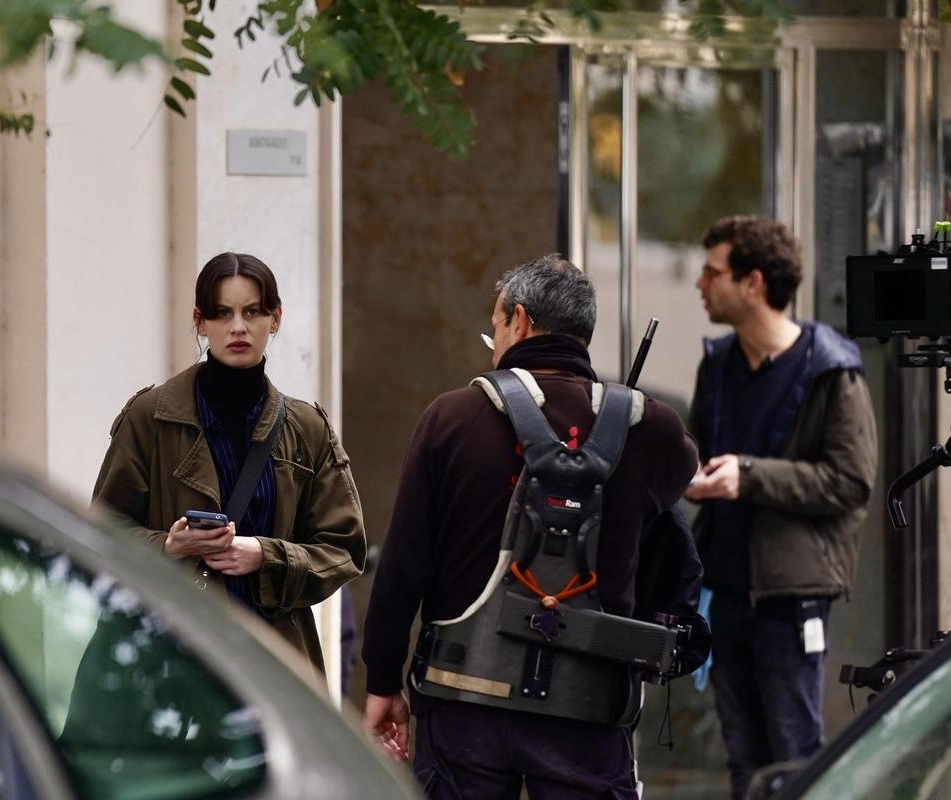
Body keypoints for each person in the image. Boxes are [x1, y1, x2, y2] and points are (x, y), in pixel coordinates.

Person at [361, 255, 698, 798]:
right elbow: (670, 543)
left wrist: (381, 681)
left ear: (518, 320)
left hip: (463, 704)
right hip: (590, 711)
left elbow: (403, 567)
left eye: (493, 327)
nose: (493, 342)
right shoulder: (653, 429)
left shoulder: (450, 418)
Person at [92, 252, 366, 675]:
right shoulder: (151, 417)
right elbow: (103, 533)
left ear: (275, 318)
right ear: (200, 322)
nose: (238, 327)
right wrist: (169, 546)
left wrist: (265, 556)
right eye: (222, 313)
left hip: (271, 667)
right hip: (170, 663)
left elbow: (343, 548)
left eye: (252, 311)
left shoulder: (307, 428)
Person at [684, 216, 877, 800]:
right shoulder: (717, 364)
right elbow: (698, 452)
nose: (699, 283)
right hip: (724, 591)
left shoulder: (830, 371)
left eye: (713, 271)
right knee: (743, 762)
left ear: (753, 282)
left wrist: (749, 476)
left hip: (790, 602)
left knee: (793, 760)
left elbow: (850, 481)